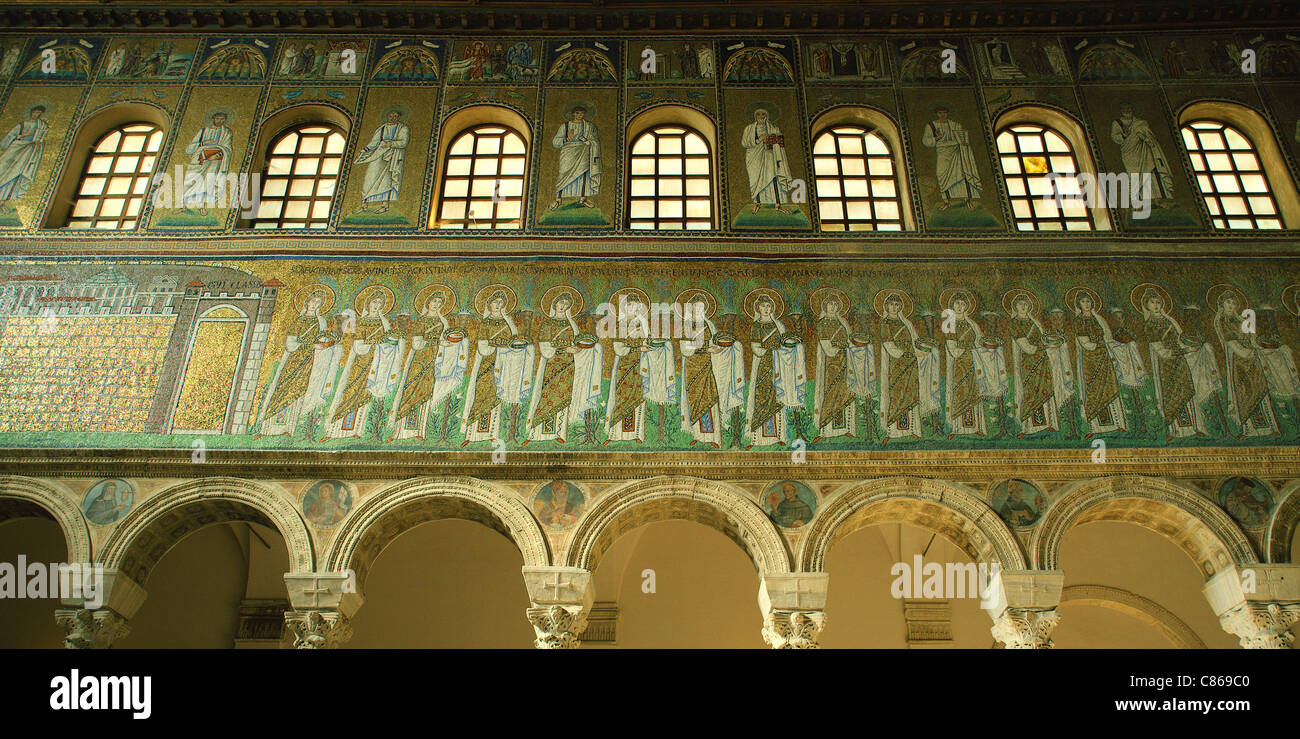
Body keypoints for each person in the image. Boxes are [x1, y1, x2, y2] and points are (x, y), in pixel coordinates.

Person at [1111, 103, 1174, 204]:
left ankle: (1159, 197)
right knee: (1135, 175)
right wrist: (1124, 135)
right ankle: (1141, 200)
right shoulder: (1117, 123)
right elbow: (1115, 137)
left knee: (1151, 172)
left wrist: (1143, 136)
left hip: (1145, 151)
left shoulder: (1141, 123)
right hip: (1130, 154)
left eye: (1129, 108)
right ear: (1121, 110)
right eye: (1124, 108)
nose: (1127, 110)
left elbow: (1149, 135)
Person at [921, 106, 982, 210]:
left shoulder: (955, 125)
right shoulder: (931, 126)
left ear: (947, 113)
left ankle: (967, 201)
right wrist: (937, 138)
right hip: (943, 153)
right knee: (941, 175)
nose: (943, 115)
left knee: (962, 175)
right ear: (937, 114)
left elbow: (962, 137)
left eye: (945, 113)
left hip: (956, 152)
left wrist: (963, 140)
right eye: (940, 113)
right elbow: (926, 141)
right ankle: (946, 202)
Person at [354, 109, 409, 214]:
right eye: (391, 115)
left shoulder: (403, 128)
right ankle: (364, 205)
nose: (393, 117)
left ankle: (384, 206)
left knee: (386, 181)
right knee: (369, 179)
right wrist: (363, 150)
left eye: (395, 115)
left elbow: (404, 142)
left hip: (392, 157)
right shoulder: (382, 129)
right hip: (378, 155)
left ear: (399, 117)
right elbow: (374, 143)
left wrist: (391, 144)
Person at [740, 109, 793, 215]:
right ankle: (758, 203)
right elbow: (745, 143)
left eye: (763, 114)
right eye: (758, 114)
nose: (761, 116)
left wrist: (774, 139)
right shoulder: (749, 129)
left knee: (773, 177)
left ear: (767, 115)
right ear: (755, 116)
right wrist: (759, 139)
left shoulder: (773, 128)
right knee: (756, 179)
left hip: (770, 156)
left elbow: (780, 140)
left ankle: (778, 204)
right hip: (755, 158)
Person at [549, 106, 600, 211]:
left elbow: (595, 140)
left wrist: (587, 141)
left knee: (584, 174)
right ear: (573, 114)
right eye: (577, 113)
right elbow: (555, 142)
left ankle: (583, 198)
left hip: (583, 152)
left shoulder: (589, 126)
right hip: (568, 152)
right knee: (563, 173)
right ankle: (558, 200)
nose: (579, 115)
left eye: (581, 113)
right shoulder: (565, 126)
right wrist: (567, 138)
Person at [181, 111, 233, 214]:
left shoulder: (226, 132)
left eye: (223, 119)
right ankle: (183, 205)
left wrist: (216, 155)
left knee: (207, 182)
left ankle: (201, 206)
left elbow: (228, 148)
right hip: (199, 158)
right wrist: (204, 143)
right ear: (213, 118)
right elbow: (190, 148)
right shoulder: (203, 131)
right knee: (192, 179)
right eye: (218, 118)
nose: (220, 121)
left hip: (215, 160)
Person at [0, 106, 48, 211]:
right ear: (31, 112)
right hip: (15, 149)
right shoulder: (22, 124)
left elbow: (41, 138)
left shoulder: (41, 125)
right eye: (35, 112)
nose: (36, 115)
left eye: (39, 113)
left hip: (28, 150)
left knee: (16, 175)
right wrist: (22, 135)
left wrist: (39, 141)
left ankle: (2, 202)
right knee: (4, 171)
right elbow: (10, 137)